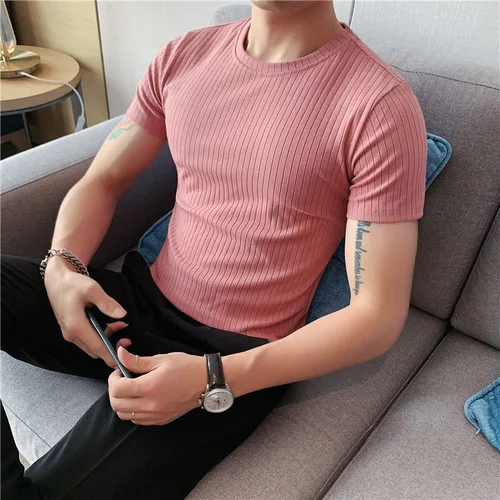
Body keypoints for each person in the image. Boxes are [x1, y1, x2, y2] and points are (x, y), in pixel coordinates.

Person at [1, 1, 427, 499]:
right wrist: (63, 266)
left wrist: (212, 376)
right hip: (130, 304)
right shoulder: (184, 56)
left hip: (229, 358)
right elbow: (103, 180)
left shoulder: (380, 105)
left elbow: (377, 315)